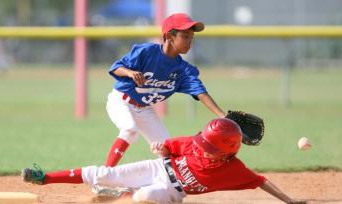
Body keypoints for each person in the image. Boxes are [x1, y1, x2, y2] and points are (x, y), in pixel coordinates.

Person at [21, 118, 306, 204]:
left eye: (210, 148)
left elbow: (261, 182)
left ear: (228, 153)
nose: (202, 147)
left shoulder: (235, 170)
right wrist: (160, 148)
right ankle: (44, 176)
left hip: (173, 192)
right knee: (103, 173)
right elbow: (168, 148)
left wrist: (290, 201)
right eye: (204, 142)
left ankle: (125, 194)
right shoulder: (194, 143)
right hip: (157, 167)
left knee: (144, 197)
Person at [104, 13, 226, 167]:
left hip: (145, 109)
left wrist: (223, 116)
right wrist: (129, 72)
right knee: (130, 130)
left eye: (191, 38)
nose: (189, 42)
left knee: (167, 149)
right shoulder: (146, 52)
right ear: (169, 36)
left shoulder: (184, 70)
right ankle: (104, 176)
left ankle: (163, 186)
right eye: (185, 36)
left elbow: (201, 93)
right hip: (121, 101)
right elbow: (115, 68)